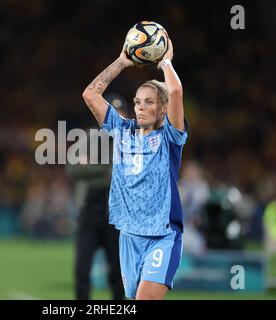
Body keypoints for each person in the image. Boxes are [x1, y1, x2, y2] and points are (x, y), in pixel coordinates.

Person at [82, 36, 187, 300]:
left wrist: (165, 61)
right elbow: (90, 94)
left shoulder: (169, 139)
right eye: (138, 101)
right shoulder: (121, 132)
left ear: (163, 110)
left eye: (149, 102)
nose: (141, 107)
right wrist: (121, 62)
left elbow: (174, 92)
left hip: (162, 235)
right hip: (128, 235)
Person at [66, 129, 124, 300]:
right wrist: (107, 168)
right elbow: (73, 170)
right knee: (82, 268)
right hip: (88, 215)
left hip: (115, 217)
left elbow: (125, 174)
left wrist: (90, 168)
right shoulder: (89, 139)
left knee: (118, 270)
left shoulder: (129, 141)